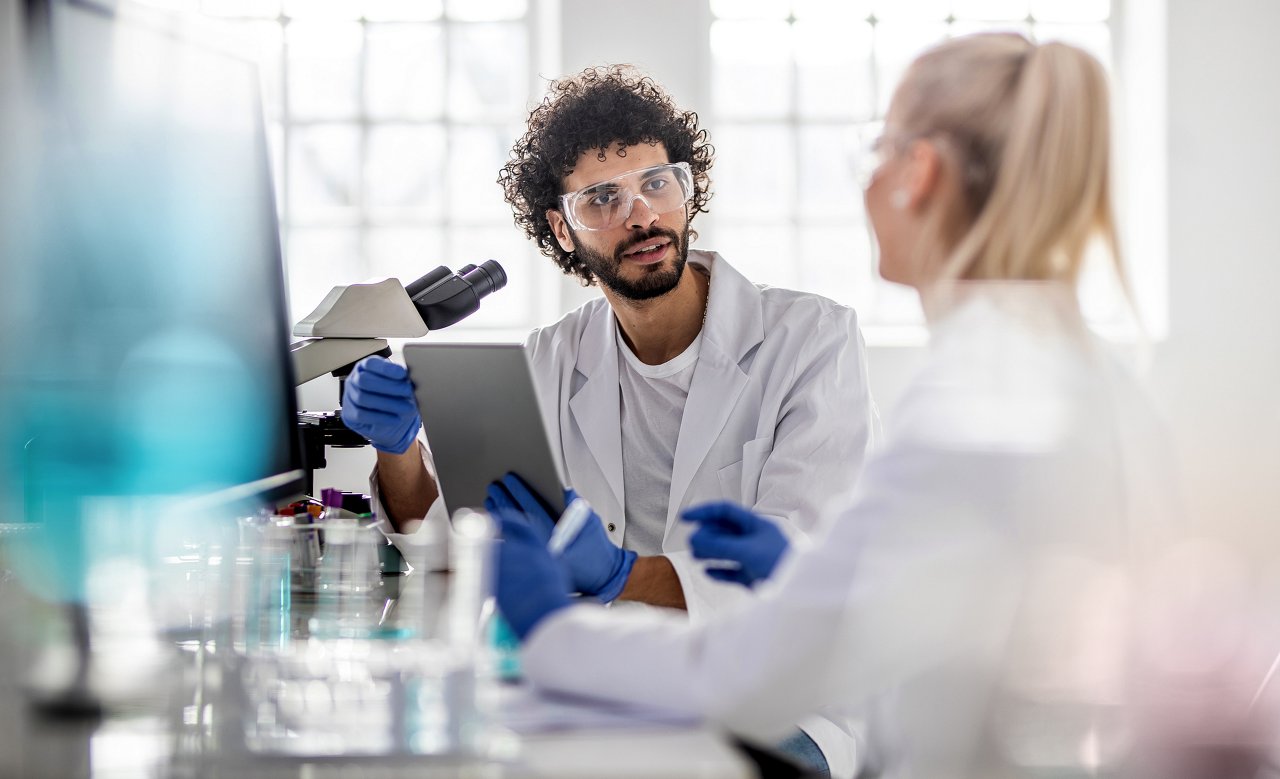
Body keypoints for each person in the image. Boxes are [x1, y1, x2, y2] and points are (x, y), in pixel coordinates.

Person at [490, 34, 1182, 779]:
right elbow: (949, 631)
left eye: (877, 150)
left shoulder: (982, 407)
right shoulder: (1052, 366)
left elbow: (749, 672)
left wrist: (556, 628)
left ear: (918, 175)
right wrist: (823, 574)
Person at [340, 65, 876, 774]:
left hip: (774, 697)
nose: (642, 216)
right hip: (604, 686)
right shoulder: (548, 361)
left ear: (687, 190)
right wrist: (397, 449)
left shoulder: (812, 339)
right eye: (603, 198)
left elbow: (796, 567)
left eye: (658, 182)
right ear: (562, 229)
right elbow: (452, 549)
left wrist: (622, 574)